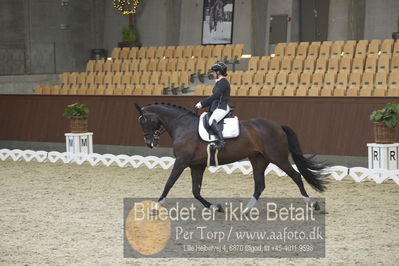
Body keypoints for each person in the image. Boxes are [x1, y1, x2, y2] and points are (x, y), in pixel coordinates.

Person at [194, 62, 231, 150]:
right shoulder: (219, 82)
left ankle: (222, 142)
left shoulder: (223, 82)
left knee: (211, 121)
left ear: (218, 72)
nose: (212, 74)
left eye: (214, 72)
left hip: (222, 107)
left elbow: (215, 96)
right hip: (217, 107)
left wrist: (202, 103)